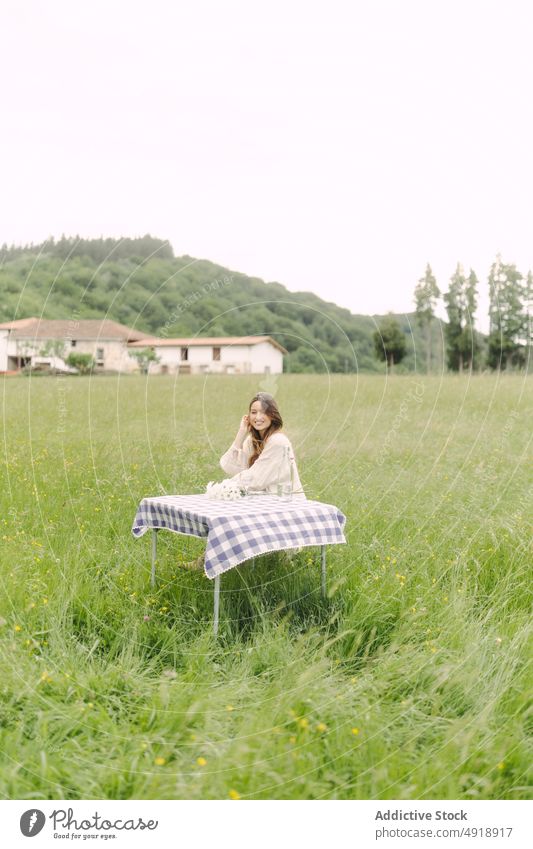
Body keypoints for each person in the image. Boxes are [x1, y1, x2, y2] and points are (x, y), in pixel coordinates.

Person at [180, 392, 305, 570]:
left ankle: (210, 562)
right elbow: (228, 465)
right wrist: (241, 433)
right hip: (262, 499)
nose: (258, 417)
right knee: (228, 516)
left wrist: (226, 486)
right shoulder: (253, 440)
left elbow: (256, 478)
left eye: (263, 412)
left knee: (232, 518)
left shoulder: (278, 441)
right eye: (253, 412)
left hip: (284, 504)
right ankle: (212, 560)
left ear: (273, 415)